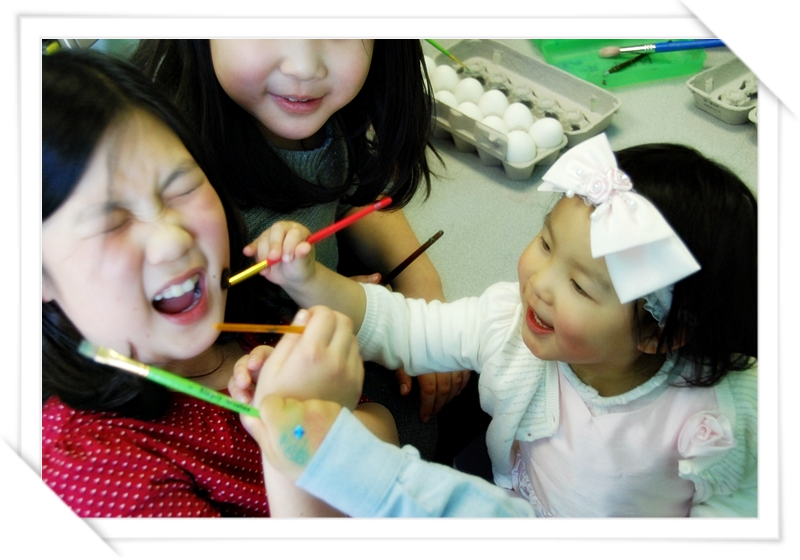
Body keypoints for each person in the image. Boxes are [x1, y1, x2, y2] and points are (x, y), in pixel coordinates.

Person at [232, 134, 758, 517]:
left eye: (580, 286)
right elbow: (400, 324)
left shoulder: (719, 425)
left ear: (657, 334)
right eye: (546, 243)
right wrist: (306, 278)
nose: (539, 283)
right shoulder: (509, 322)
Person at [41, 49, 396, 518]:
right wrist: (304, 438)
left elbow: (385, 433)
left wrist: (322, 411)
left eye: (181, 188)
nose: (172, 240)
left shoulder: (246, 317)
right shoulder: (86, 467)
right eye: (112, 222)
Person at [130, 40, 481, 461]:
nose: (303, 66)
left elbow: (352, 197)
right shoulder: (165, 157)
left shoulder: (329, 117)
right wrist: (329, 304)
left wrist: (420, 289)